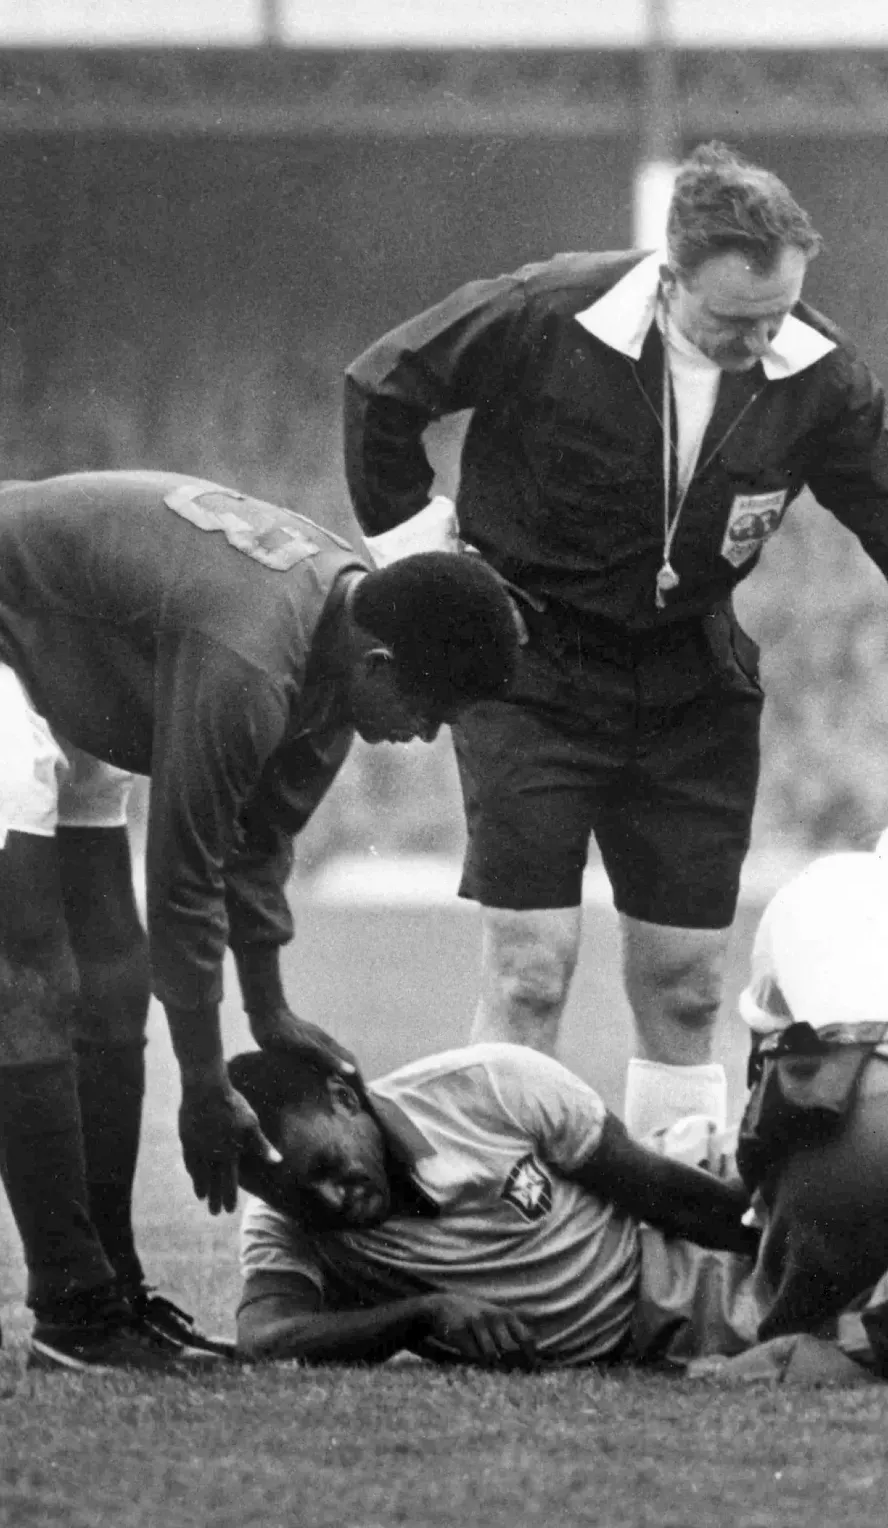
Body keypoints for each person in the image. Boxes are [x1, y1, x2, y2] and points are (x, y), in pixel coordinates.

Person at [343, 139, 888, 1143]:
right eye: (735, 320)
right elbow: (382, 388)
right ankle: (509, 1212)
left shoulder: (820, 373)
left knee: (688, 987)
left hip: (691, 679)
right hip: (529, 665)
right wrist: (428, 570)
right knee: (530, 969)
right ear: (672, 274)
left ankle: (674, 1225)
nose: (761, 338)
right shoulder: (548, 311)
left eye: (777, 313)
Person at [0, 468, 520, 1371]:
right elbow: (184, 880)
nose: (428, 735)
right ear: (381, 666)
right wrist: (205, 1085)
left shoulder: (342, 643)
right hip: (15, 626)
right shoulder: (249, 659)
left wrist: (269, 1010)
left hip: (54, 650)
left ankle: (111, 1290)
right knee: (32, 967)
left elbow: (255, 846)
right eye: (431, 710)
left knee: (114, 972)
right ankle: (73, 1308)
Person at [231, 1032, 761, 1369]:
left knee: (805, 1186)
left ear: (345, 1099)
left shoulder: (491, 1083)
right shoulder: (282, 1223)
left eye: (327, 1165)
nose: (330, 1200)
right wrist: (421, 1315)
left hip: (687, 1200)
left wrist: (772, 1238)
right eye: (298, 1197)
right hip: (663, 1311)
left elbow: (662, 1191)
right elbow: (266, 1338)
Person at [736, 831, 888, 1345]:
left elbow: (764, 1086)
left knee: (809, 1330)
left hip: (842, 1135)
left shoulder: (811, 887)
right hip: (859, 1127)